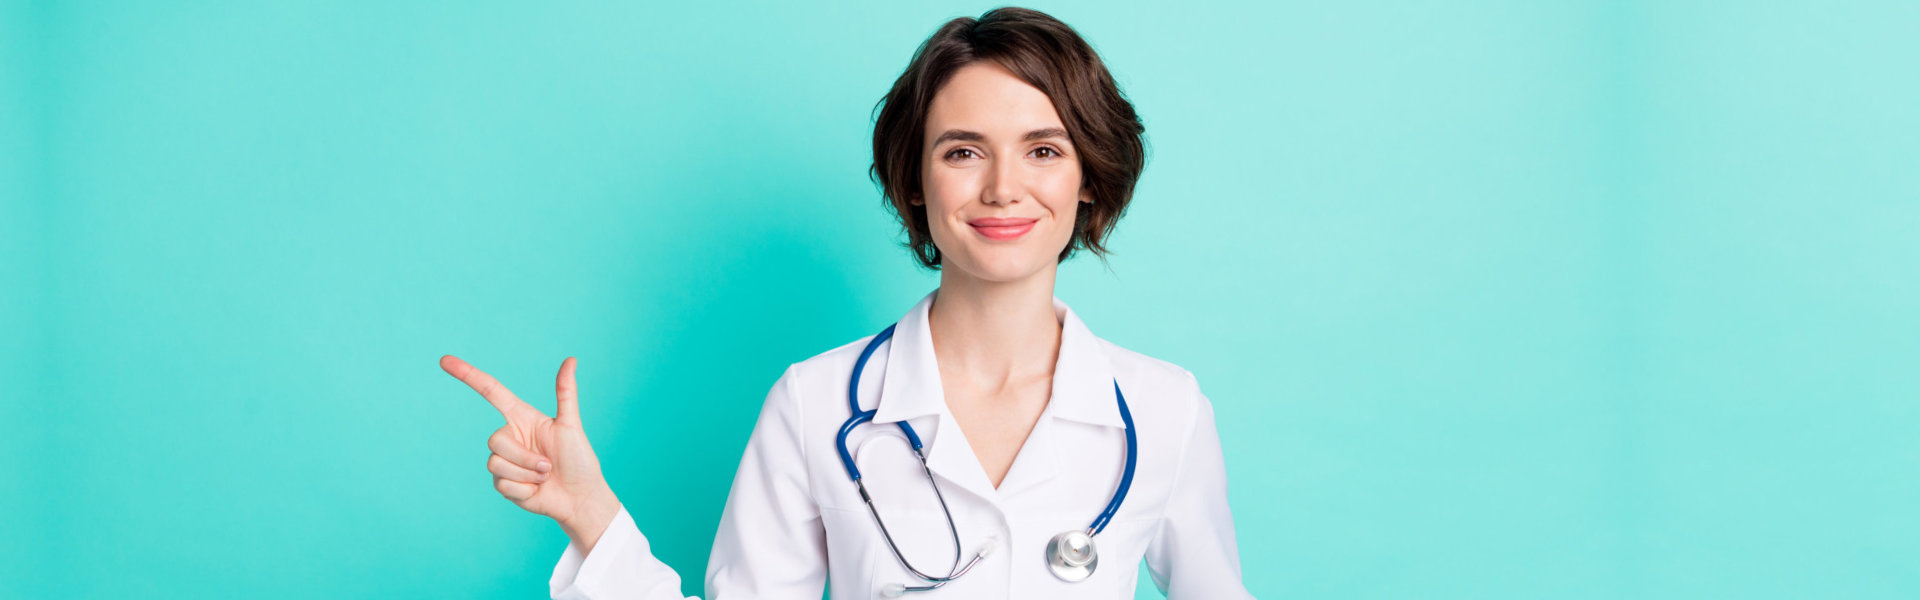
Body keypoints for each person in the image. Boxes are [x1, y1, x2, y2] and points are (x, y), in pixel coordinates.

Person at [441, 7, 1253, 598]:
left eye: (1043, 150)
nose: (1004, 187)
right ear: (914, 180)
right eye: (963, 151)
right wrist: (592, 517)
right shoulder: (816, 403)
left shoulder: (1164, 411)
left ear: (1088, 182)